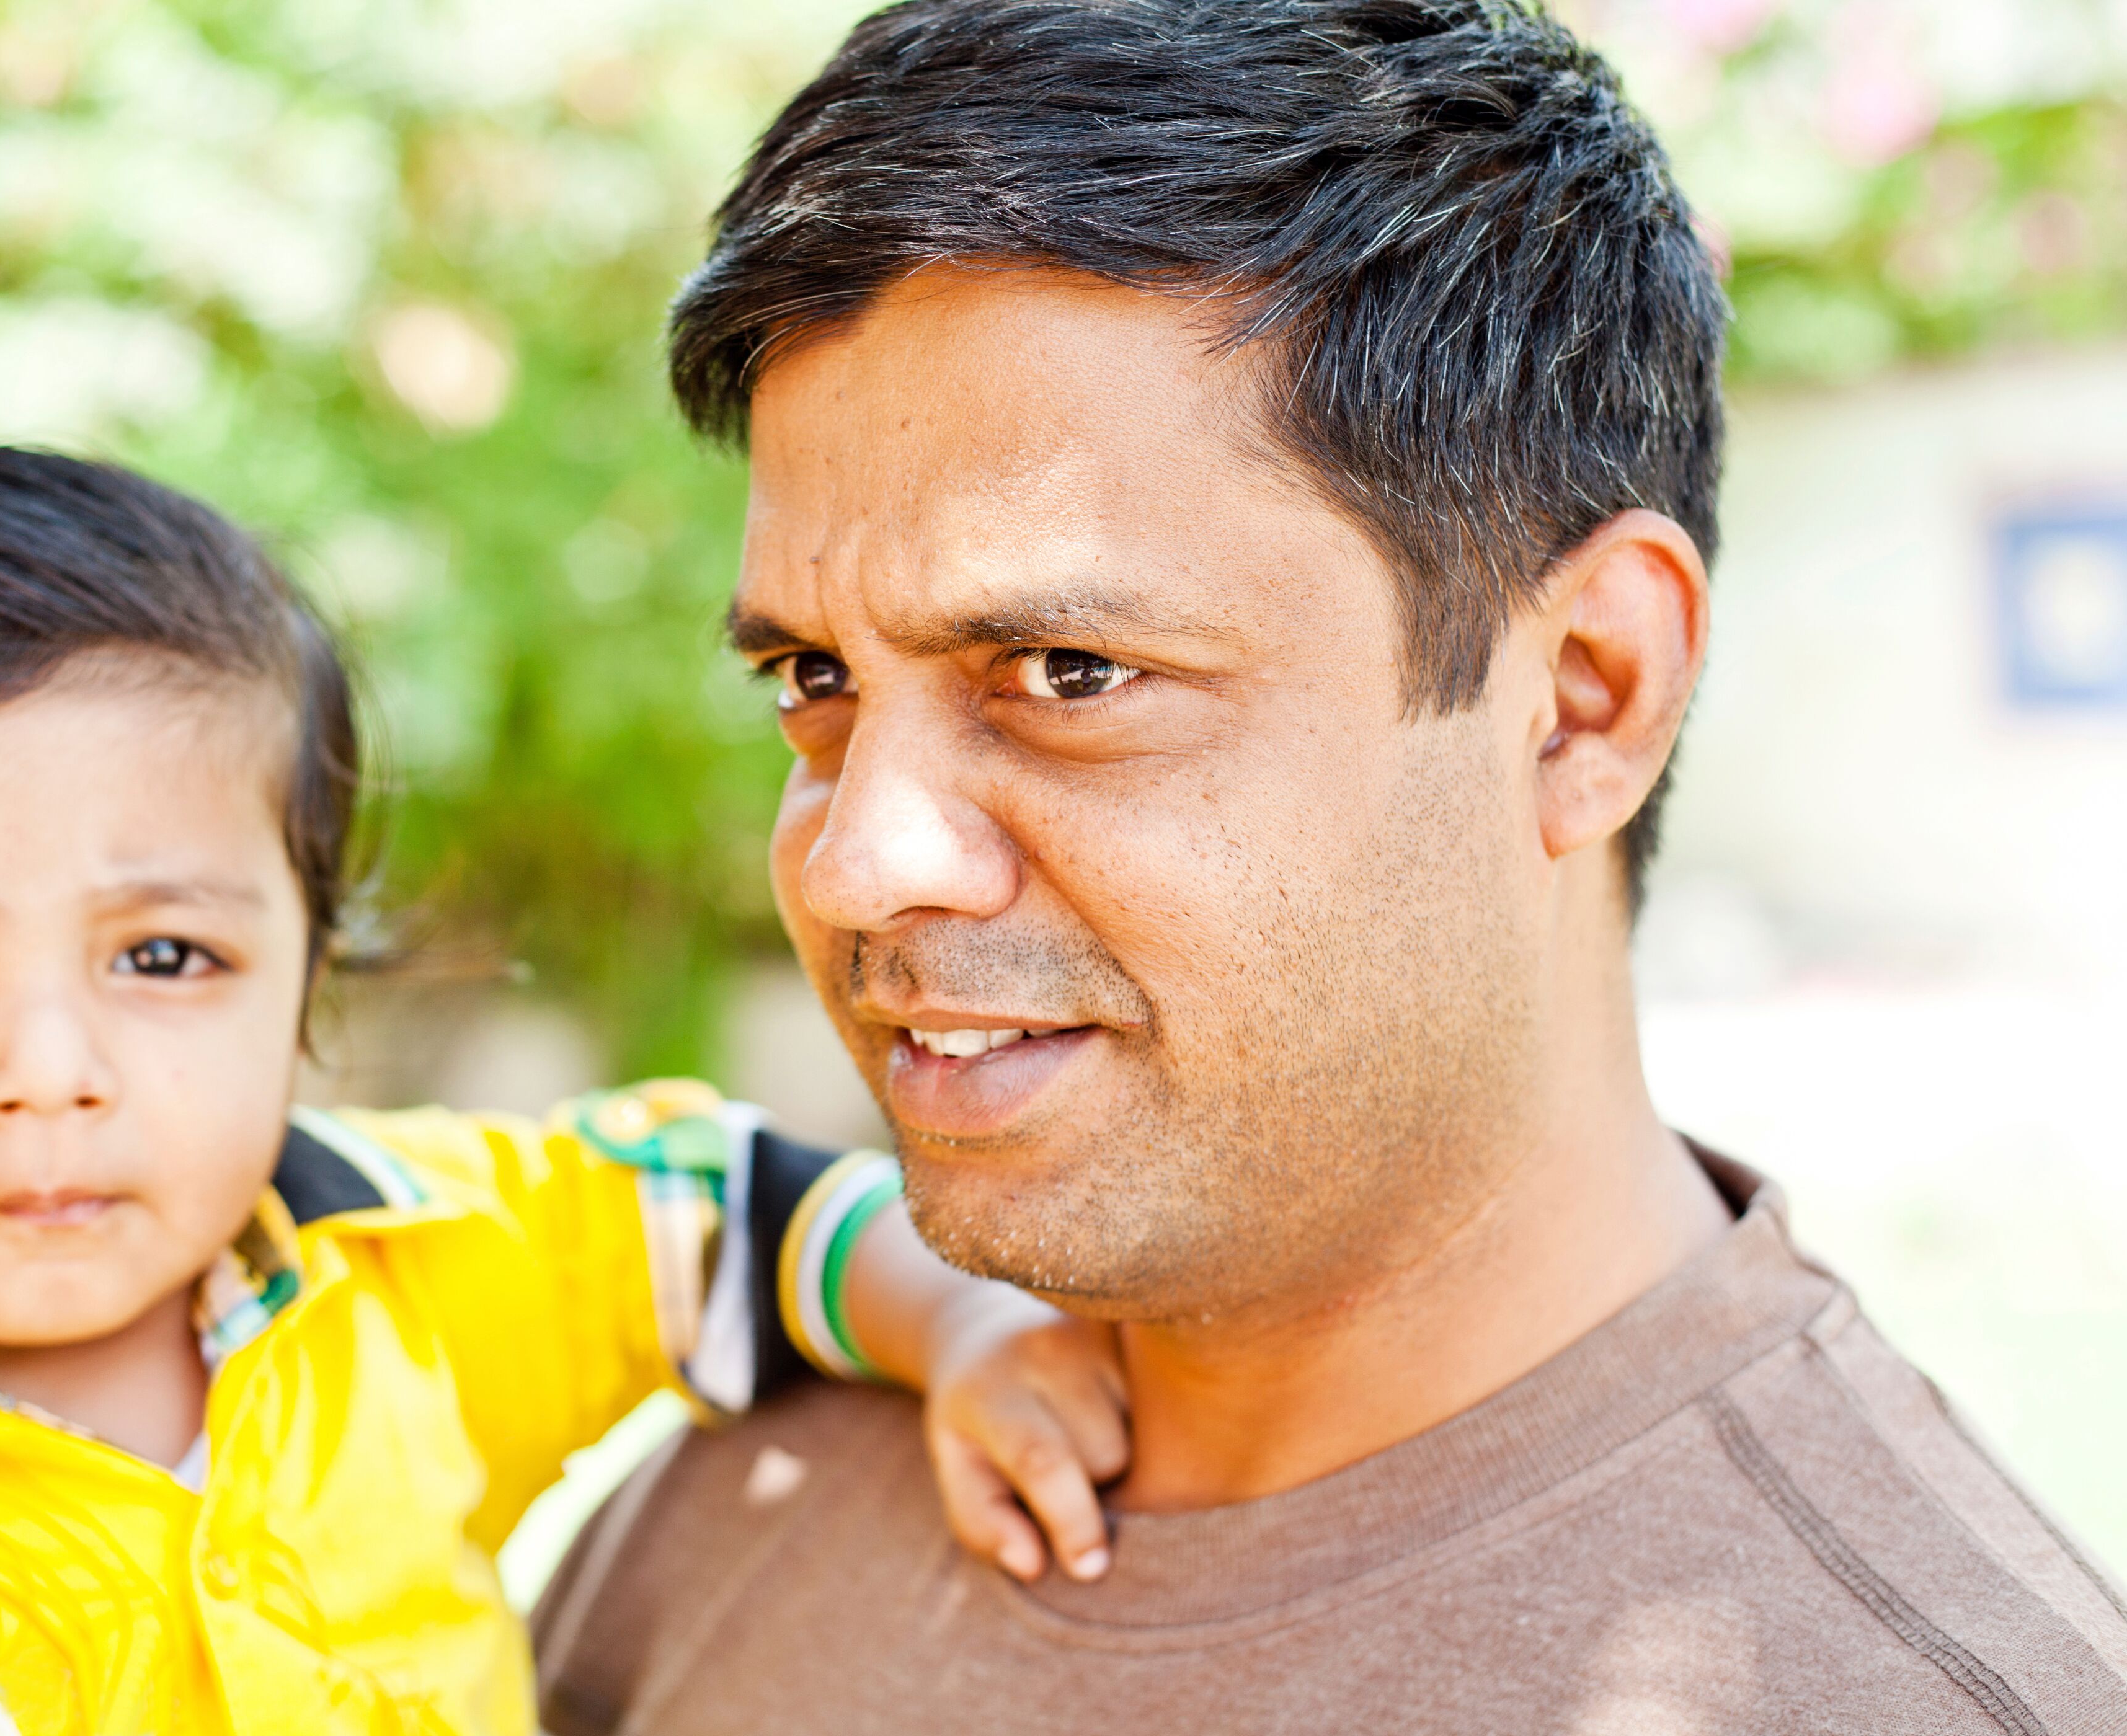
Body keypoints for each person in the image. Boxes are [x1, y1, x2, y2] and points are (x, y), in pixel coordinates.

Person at [529, 2, 2127, 1730]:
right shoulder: (748, 1494)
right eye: (814, 683)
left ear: (1588, 694)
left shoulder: (1908, 1691)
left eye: (1072, 675)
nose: (858, 863)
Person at [0, 445, 1129, 1735]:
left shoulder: (401, 1275)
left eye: (160, 958)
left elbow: (720, 1209)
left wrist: (965, 1326)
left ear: (303, 982)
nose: (48, 1077)